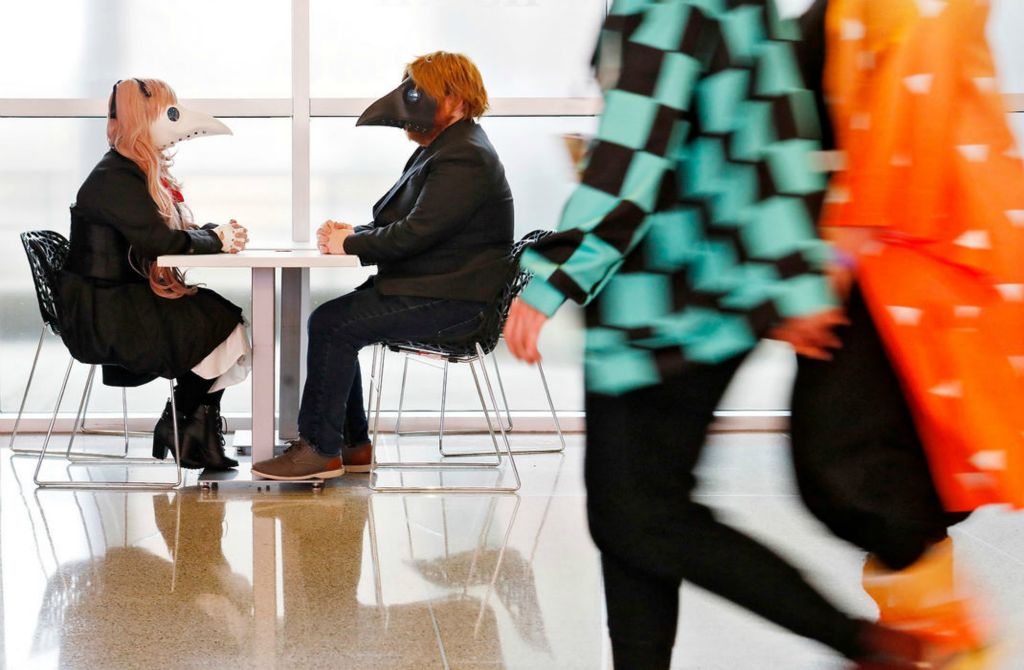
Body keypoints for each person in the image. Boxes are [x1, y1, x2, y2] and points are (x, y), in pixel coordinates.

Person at [504, 1, 956, 667]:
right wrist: (792, 272)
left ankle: (867, 644)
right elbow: (779, 128)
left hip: (661, 298)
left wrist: (557, 273)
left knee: (636, 516)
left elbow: (634, 147)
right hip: (717, 291)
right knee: (638, 513)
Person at [790, 0, 1024, 660]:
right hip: (888, 256)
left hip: (910, 255)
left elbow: (905, 120)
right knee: (874, 470)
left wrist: (835, 255)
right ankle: (935, 639)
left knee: (851, 466)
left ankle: (945, 641)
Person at [252, 52, 514, 481]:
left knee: (334, 324)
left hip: (454, 301)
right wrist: (352, 232)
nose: (411, 103)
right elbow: (412, 224)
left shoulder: (463, 156)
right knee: (335, 321)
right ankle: (349, 446)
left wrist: (351, 242)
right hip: (437, 287)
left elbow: (417, 234)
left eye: (422, 93)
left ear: (455, 98)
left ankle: (320, 449)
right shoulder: (448, 147)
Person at [59, 78, 250, 470]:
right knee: (223, 323)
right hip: (106, 312)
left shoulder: (127, 170)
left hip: (115, 299)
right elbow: (160, 242)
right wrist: (215, 239)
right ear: (144, 116)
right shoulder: (116, 176)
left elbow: (164, 236)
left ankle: (191, 428)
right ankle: (186, 424)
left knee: (222, 319)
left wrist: (214, 234)